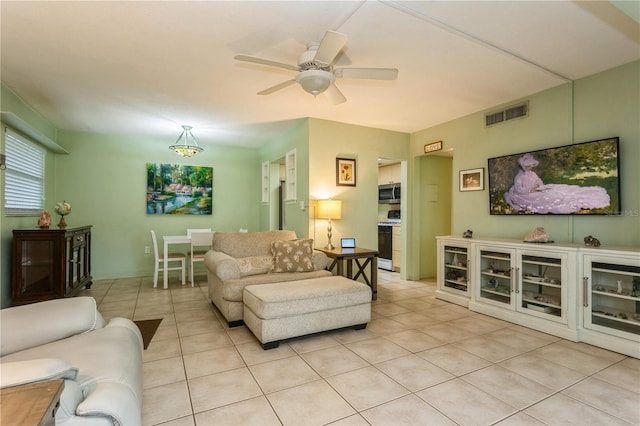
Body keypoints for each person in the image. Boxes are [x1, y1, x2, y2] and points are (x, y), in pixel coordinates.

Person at [504, 153, 610, 214]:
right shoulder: (519, 176)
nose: (530, 168)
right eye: (528, 166)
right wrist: (530, 190)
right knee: (548, 199)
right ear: (523, 166)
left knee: (557, 189)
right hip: (524, 194)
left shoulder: (532, 173)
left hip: (535, 189)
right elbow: (519, 189)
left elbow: (538, 181)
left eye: (531, 166)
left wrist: (538, 186)